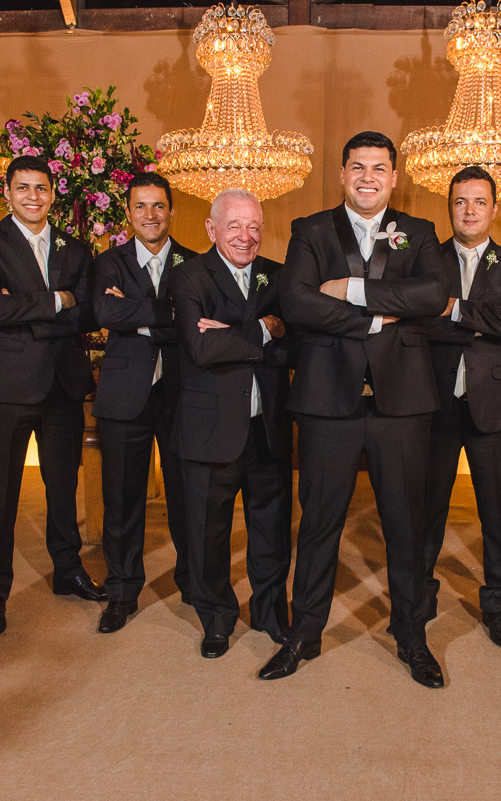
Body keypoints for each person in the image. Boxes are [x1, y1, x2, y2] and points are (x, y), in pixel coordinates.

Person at [262, 131, 449, 688]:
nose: (368, 177)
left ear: (394, 177)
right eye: (358, 167)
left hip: (402, 402)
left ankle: (412, 636)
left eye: (379, 168)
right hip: (327, 399)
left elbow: (431, 297)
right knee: (319, 523)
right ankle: (304, 635)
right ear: (342, 174)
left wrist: (350, 290)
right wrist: (371, 319)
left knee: (405, 526)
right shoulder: (311, 230)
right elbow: (296, 301)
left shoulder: (419, 232)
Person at [0, 155, 102, 637]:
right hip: (9, 387)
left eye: (41, 188)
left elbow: (86, 315)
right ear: (7, 191)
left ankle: (68, 571)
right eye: (23, 187)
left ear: (52, 192)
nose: (33, 196)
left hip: (63, 384)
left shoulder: (75, 249)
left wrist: (25, 307)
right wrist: (55, 300)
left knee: (63, 487)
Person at [169, 188, 294, 659]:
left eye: (255, 226)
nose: (247, 236)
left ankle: (269, 613)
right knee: (207, 531)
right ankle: (216, 617)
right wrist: (266, 327)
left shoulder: (278, 277)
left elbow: (296, 348)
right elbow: (200, 349)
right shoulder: (188, 277)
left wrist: (234, 335)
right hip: (209, 430)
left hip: (268, 427)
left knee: (272, 529)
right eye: (236, 226)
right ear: (211, 229)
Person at [421, 166, 501, 648]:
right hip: (434, 401)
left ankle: (495, 601)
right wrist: (485, 323)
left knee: (495, 510)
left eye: (479, 201)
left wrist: (456, 310)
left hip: (495, 404)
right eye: (461, 201)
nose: (469, 210)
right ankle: (419, 597)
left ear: (494, 208)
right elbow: (420, 323)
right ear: (450, 207)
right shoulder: (428, 261)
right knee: (428, 508)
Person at [91, 171, 198, 633]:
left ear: (171, 211)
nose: (150, 215)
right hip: (123, 396)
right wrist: (167, 315)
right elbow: (103, 313)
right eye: (140, 206)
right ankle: (121, 591)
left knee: (186, 496)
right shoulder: (106, 264)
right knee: (121, 500)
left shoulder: (195, 264)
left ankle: (194, 583)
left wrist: (134, 314)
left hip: (182, 395)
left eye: (158, 206)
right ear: (128, 212)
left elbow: (194, 322)